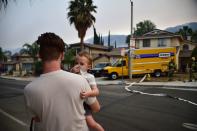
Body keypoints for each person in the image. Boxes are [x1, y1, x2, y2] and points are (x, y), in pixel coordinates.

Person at [24, 32, 100, 131]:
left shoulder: (28, 90)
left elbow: (36, 118)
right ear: (62, 55)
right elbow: (96, 108)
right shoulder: (80, 80)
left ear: (39, 56)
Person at [71, 51, 104, 131]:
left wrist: (88, 93)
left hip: (85, 104)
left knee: (91, 123)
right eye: (76, 63)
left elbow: (96, 91)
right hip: (75, 102)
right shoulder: (72, 74)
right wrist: (72, 72)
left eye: (81, 64)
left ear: (88, 67)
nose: (78, 66)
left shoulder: (89, 77)